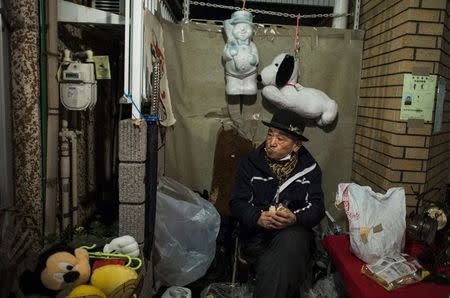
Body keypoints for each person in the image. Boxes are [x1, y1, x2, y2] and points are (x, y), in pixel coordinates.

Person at [229, 109, 325, 298]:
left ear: (296, 145)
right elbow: (237, 202)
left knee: (291, 243)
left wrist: (294, 218)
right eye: (270, 134)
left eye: (281, 139)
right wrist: (258, 218)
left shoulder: (309, 170)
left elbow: (317, 208)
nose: (271, 143)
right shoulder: (250, 164)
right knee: (280, 264)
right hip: (257, 236)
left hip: (293, 236)